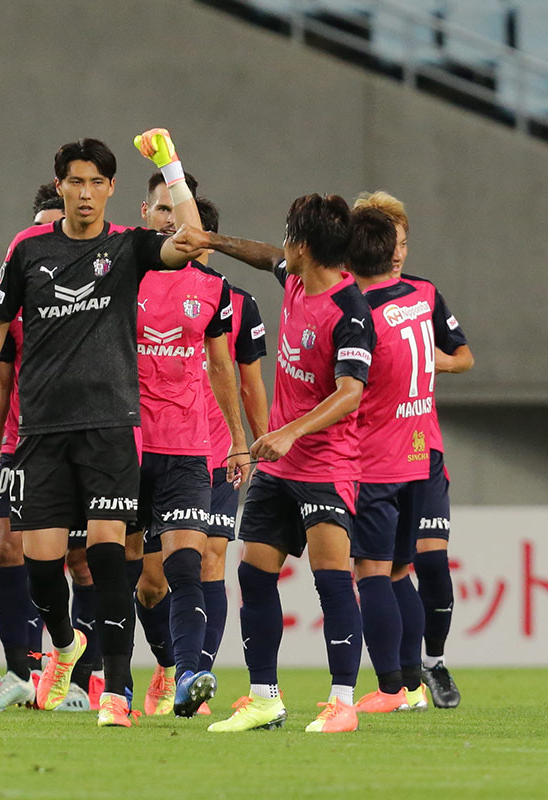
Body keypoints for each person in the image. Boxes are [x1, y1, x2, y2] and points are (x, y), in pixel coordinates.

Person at [0, 131, 204, 728]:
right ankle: (64, 644)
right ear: (59, 186)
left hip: (111, 426)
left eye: (96, 183)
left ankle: (116, 690)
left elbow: (191, 239)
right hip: (40, 431)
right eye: (75, 182)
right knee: (41, 565)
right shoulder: (28, 249)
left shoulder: (130, 246)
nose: (85, 194)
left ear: (112, 189)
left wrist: (170, 168)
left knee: (111, 560)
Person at [173, 194, 376, 734]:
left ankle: (342, 703)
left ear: (305, 245)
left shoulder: (350, 310)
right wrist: (212, 240)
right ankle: (265, 698)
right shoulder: (294, 277)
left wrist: (290, 431)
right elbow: (265, 256)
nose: (282, 240)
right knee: (253, 575)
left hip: (327, 465)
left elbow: (351, 391)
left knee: (332, 581)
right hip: (281, 467)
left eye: (289, 231)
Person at [340, 206, 472, 714]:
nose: (399, 252)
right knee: (398, 573)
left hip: (380, 457)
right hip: (414, 454)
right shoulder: (415, 299)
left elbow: (462, 355)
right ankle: (416, 681)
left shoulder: (361, 311)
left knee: (377, 572)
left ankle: (398, 685)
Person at [126, 184, 250, 718]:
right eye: (162, 210)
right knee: (140, 582)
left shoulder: (216, 289)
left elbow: (228, 370)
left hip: (189, 446)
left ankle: (191, 672)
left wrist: (243, 441)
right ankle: (145, 670)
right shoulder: (119, 273)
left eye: (179, 214)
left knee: (191, 563)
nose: (170, 222)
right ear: (144, 214)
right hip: (125, 446)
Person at [0, 185, 66, 711]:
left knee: (77, 558)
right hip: (18, 444)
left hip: (76, 440)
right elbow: (2, 380)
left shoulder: (90, 292)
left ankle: (76, 671)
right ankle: (18, 670)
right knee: (7, 545)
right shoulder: (14, 301)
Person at [197, 199, 269, 689]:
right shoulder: (136, 286)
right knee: (151, 577)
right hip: (154, 446)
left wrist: (258, 446)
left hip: (221, 450)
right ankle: (167, 661)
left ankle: (193, 674)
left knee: (212, 560)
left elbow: (250, 383)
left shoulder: (239, 302)